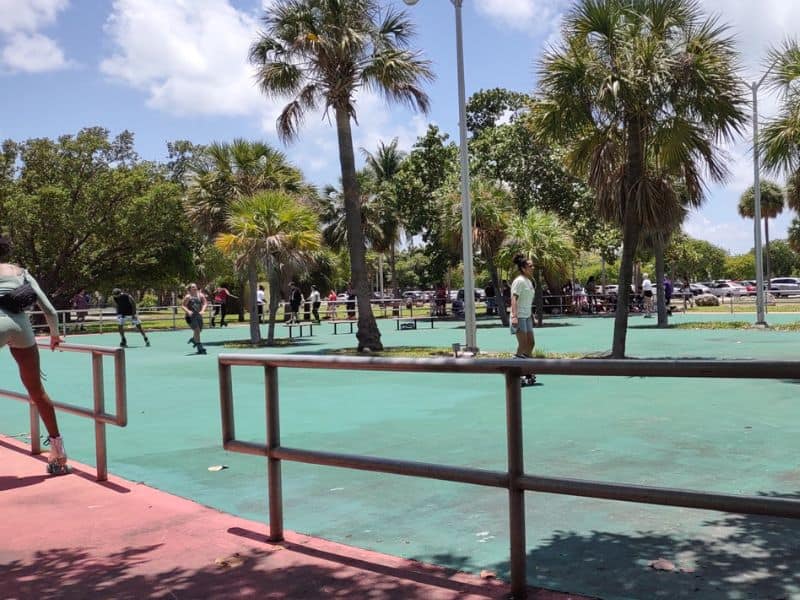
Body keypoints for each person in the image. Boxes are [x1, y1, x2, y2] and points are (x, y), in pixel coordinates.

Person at [0, 235, 69, 475]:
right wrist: (55, 334)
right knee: (36, 391)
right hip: (21, 329)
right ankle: (59, 453)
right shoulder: (21, 273)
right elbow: (49, 309)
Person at [510, 254, 536, 386]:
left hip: (527, 316)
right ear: (523, 268)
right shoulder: (519, 281)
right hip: (519, 316)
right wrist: (514, 316)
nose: (533, 267)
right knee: (523, 344)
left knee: (531, 343)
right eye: (530, 266)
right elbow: (514, 298)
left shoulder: (529, 281)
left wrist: (532, 315)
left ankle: (527, 369)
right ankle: (515, 372)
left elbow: (528, 300)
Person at [182, 283, 208, 354]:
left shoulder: (200, 295)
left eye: (195, 287)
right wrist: (188, 311)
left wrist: (203, 310)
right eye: (193, 287)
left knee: (199, 331)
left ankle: (194, 339)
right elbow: (183, 306)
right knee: (197, 330)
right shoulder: (188, 297)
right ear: (190, 289)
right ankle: (200, 348)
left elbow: (205, 303)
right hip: (190, 316)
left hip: (198, 316)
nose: (194, 288)